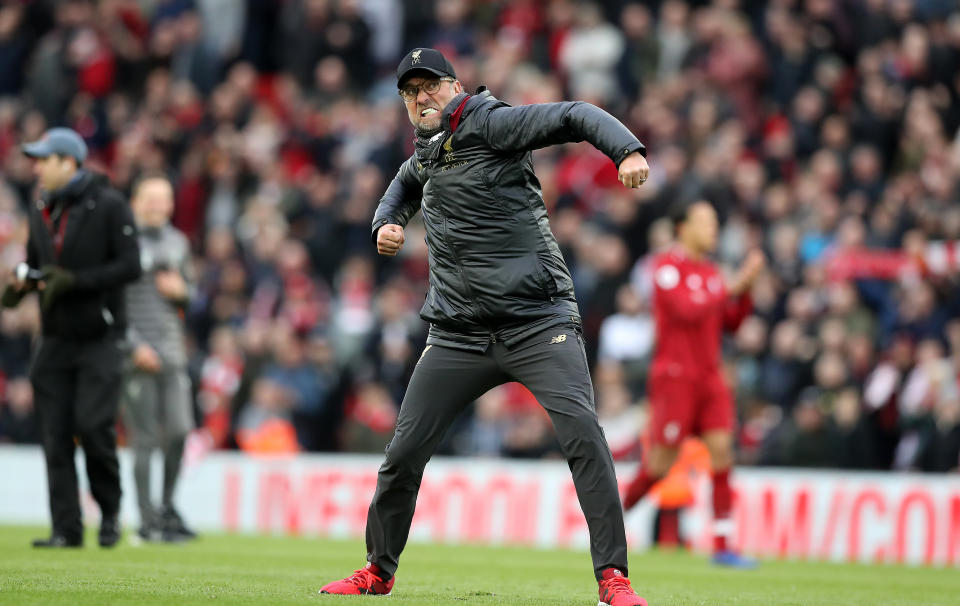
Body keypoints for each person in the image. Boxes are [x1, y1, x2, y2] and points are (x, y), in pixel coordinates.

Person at [320, 48, 651, 606]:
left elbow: (573, 113)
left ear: (454, 86)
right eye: (409, 92)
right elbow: (399, 188)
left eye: (429, 87)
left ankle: (613, 580)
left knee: (585, 439)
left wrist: (626, 151)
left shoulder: (494, 124)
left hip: (537, 321)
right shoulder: (425, 154)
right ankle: (377, 571)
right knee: (403, 453)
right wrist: (386, 223)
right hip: (458, 332)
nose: (420, 98)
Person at [2, 127, 141, 547]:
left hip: (100, 338)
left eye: (45, 160)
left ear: (70, 162)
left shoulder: (110, 204)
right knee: (55, 433)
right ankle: (66, 528)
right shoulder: (40, 204)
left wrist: (75, 281)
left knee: (95, 429)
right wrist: (22, 284)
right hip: (55, 337)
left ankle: (110, 513)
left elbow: (130, 266)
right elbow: (37, 262)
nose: (37, 168)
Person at [621, 201, 764, 567]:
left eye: (715, 223)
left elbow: (729, 322)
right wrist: (731, 286)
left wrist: (744, 291)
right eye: (706, 223)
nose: (713, 230)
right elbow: (688, 310)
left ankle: (723, 546)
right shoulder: (666, 268)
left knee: (723, 453)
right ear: (683, 228)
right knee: (660, 464)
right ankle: (609, 522)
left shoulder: (714, 273)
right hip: (674, 378)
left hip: (710, 377)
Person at [122, 174, 197, 542]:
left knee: (181, 431)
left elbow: (191, 294)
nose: (157, 205)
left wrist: (182, 292)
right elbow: (112, 304)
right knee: (145, 440)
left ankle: (166, 508)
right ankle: (146, 519)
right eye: (150, 198)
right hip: (135, 356)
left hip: (171, 352)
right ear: (135, 201)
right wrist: (133, 346)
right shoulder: (122, 242)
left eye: (163, 199)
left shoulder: (178, 242)